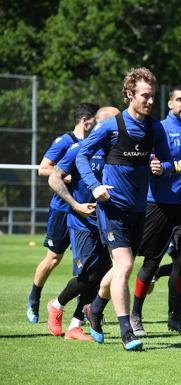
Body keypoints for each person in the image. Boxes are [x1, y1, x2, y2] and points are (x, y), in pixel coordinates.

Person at [76, 67, 180, 351]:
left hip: (138, 209)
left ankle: (94, 309)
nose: (149, 101)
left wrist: (162, 167)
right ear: (129, 95)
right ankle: (126, 331)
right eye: (144, 96)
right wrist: (95, 186)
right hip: (112, 208)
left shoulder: (155, 128)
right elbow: (82, 156)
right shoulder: (112, 126)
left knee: (121, 267)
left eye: (152, 96)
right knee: (124, 265)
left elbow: (169, 163)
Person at [129, 85, 181, 337]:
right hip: (158, 203)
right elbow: (152, 165)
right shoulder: (157, 128)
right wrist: (173, 167)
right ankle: (135, 315)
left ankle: (176, 317)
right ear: (170, 104)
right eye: (180, 100)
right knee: (151, 261)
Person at [45, 106, 119, 341]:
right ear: (101, 125)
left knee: (104, 275)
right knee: (88, 275)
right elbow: (54, 177)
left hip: (107, 222)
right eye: (116, 123)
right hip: (81, 222)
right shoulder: (78, 150)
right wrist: (75, 204)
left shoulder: (117, 152)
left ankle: (76, 325)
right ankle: (56, 304)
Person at [26, 103, 99, 323]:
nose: (99, 124)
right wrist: (72, 176)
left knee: (86, 263)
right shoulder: (66, 141)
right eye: (96, 120)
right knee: (54, 258)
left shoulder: (96, 145)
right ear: (85, 120)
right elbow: (43, 169)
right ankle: (34, 298)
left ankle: (82, 312)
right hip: (62, 209)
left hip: (85, 212)